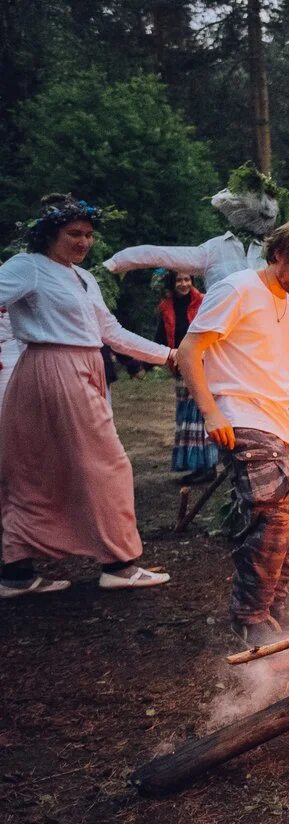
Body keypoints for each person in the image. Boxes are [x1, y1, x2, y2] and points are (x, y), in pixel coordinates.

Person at [178, 218, 289, 645]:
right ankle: (248, 616)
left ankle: (273, 610)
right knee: (273, 516)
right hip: (241, 417)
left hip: (279, 425)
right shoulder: (238, 289)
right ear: (278, 254)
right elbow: (189, 350)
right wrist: (212, 413)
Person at [0, 194, 175, 599]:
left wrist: (167, 355)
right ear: (49, 234)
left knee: (42, 466)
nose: (82, 242)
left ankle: (16, 573)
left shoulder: (83, 277)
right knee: (104, 463)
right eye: (73, 234)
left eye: (88, 235)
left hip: (83, 366)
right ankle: (118, 563)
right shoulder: (29, 267)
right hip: (51, 367)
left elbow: (109, 332)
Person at [102, 163, 283, 291]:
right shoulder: (214, 249)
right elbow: (159, 255)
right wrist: (114, 264)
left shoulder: (274, 252)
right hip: (223, 338)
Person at [154, 269, 220, 483]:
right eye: (179, 280)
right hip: (180, 364)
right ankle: (195, 464)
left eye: (187, 279)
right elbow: (162, 335)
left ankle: (208, 465)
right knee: (186, 416)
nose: (183, 284)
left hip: (201, 364)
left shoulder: (202, 302)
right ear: (172, 284)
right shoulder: (166, 307)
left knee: (200, 413)